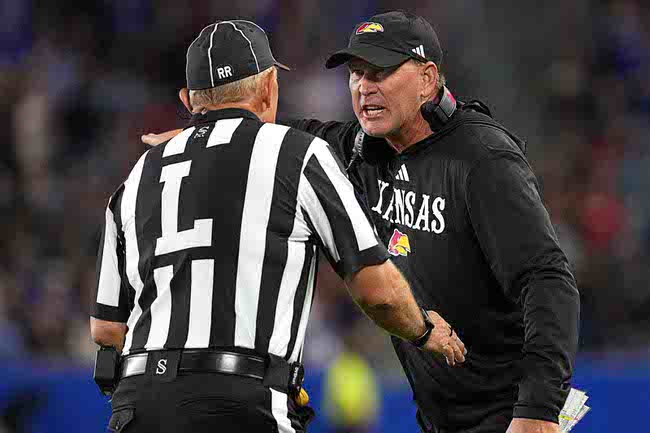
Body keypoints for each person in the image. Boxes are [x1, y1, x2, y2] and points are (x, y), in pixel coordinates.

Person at [145, 10, 581, 433]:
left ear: (427, 79)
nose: (363, 88)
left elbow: (547, 279)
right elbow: (290, 134)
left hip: (509, 414)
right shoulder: (363, 149)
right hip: (443, 416)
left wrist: (539, 408)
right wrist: (210, 135)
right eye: (356, 73)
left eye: (380, 72)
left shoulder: (481, 157)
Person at [91, 19, 466, 433]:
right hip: (246, 403)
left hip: (140, 404)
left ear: (188, 98)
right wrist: (425, 330)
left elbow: (107, 328)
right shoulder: (298, 154)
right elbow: (376, 290)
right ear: (270, 85)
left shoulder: (138, 175)